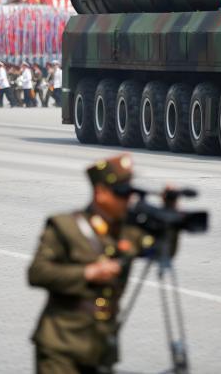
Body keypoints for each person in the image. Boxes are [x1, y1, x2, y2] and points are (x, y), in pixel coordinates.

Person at [28, 154, 174, 374]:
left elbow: (164, 251)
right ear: (101, 193)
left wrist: (169, 212)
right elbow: (37, 273)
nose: (128, 200)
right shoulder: (65, 226)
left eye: (130, 193)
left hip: (101, 347)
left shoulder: (128, 233)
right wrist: (88, 273)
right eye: (122, 194)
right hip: (61, 346)